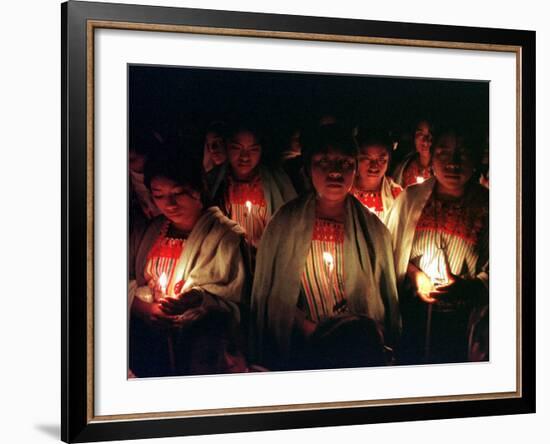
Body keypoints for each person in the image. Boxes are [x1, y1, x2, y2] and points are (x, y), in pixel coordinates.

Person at [251, 124, 401, 370]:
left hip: (354, 350)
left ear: (355, 168)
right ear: (308, 167)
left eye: (344, 163)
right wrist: (308, 326)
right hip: (302, 346)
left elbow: (381, 301)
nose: (335, 172)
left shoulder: (373, 230)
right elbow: (273, 295)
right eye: (323, 162)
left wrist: (347, 331)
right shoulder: (284, 222)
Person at [128, 147, 250, 377]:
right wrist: (144, 309)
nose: (169, 204)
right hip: (150, 348)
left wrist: (199, 300)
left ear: (197, 188)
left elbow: (238, 306)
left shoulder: (225, 237)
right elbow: (127, 283)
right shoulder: (153, 230)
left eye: (178, 192)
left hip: (202, 356)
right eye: (159, 195)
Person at [386, 124, 489, 364]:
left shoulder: (490, 206)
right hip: (412, 316)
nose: (453, 162)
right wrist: (415, 276)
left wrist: (469, 287)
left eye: (462, 153)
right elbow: (389, 252)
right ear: (431, 157)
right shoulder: (410, 199)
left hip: (464, 324)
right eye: (443, 152)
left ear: (475, 157)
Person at [208, 121, 296, 251]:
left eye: (253, 149)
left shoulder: (277, 181)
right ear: (226, 146)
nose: (245, 156)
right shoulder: (216, 182)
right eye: (237, 148)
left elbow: (291, 224)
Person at [351, 128, 403, 225]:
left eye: (381, 159)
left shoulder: (398, 195)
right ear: (356, 159)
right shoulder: (344, 193)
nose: (374, 166)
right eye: (366, 158)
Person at [392, 119, 434, 188]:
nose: (425, 142)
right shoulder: (404, 167)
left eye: (430, 135)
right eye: (420, 134)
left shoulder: (442, 171)